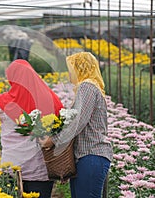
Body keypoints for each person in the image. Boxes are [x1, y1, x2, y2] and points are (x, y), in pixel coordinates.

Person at [0, 59, 63, 198]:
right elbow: (62, 123)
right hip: (40, 169)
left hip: (12, 166)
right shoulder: (50, 99)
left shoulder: (3, 102)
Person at [40, 52, 113, 198]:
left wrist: (53, 140)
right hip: (87, 158)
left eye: (71, 69)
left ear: (80, 68)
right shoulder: (91, 87)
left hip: (91, 155)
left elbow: (77, 122)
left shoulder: (87, 87)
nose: (69, 74)